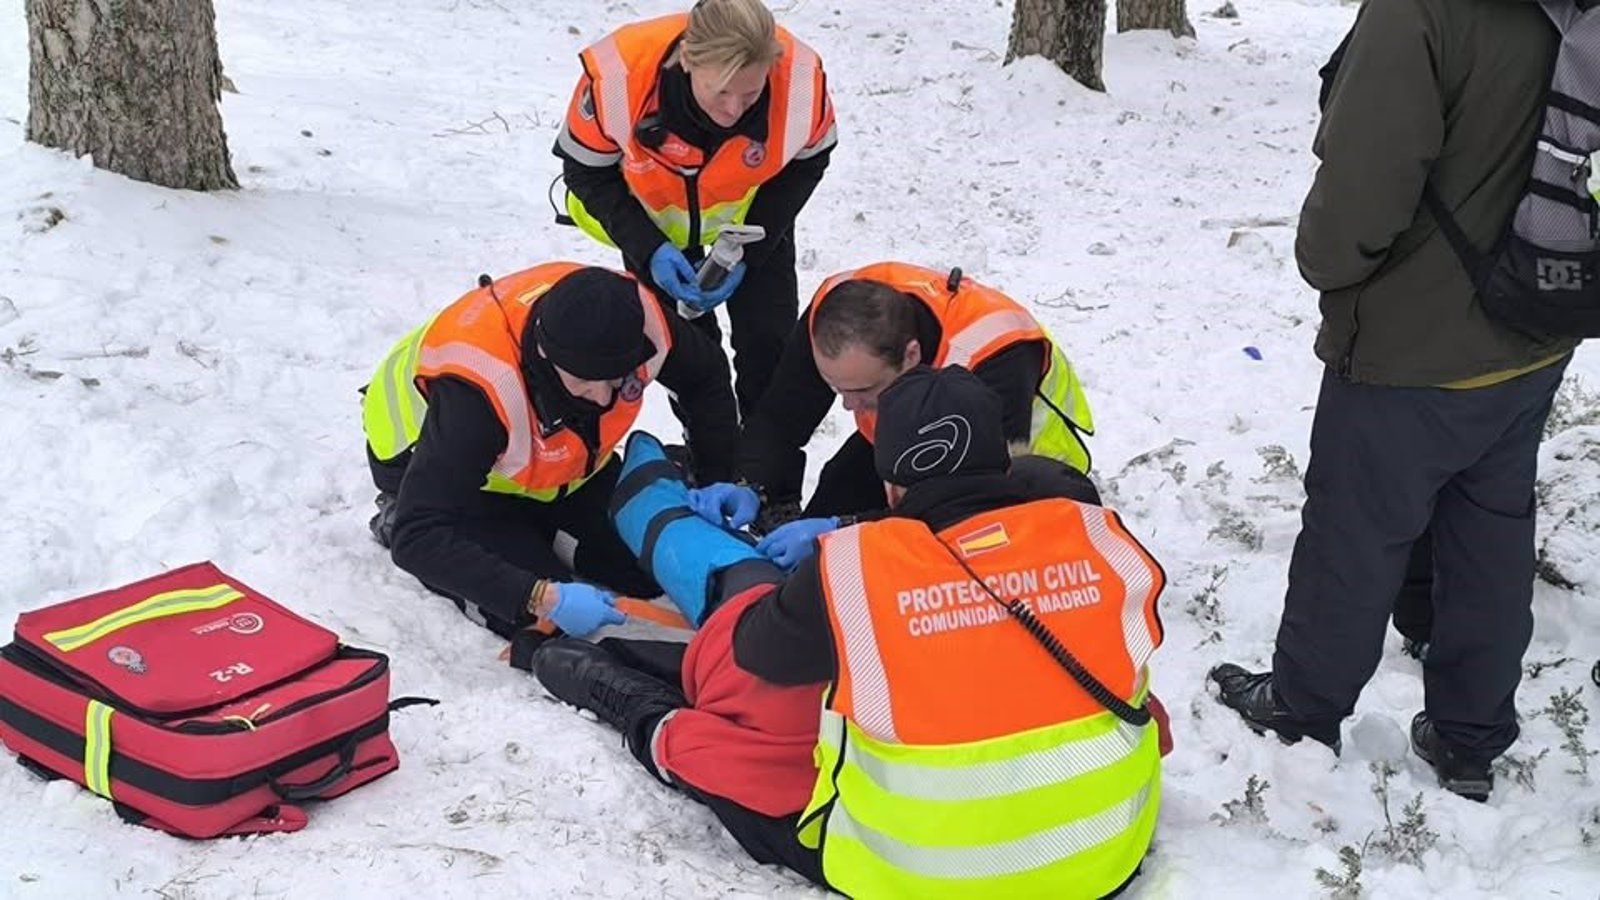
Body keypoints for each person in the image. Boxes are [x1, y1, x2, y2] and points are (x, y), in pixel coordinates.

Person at [531, 366, 1167, 898]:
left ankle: (644, 716)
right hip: (1104, 855)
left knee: (752, 741)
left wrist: (815, 574)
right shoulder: (1094, 536)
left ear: (890, 483)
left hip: (919, 877)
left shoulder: (858, 566)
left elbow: (755, 652)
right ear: (1005, 460)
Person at [1209, 0, 1579, 802]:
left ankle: (1303, 710)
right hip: (1540, 324)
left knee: (1355, 530)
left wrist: (1324, 262)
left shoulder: (1419, 13)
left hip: (1416, 340)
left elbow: (1360, 196)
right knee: (1491, 532)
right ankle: (1471, 738)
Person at [360, 262, 738, 639]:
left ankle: (543, 526)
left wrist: (715, 479)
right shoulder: (480, 393)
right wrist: (540, 595)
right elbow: (417, 535)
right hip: (438, 473)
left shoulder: (631, 320)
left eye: (616, 381)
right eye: (585, 382)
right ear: (544, 356)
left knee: (646, 566)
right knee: (541, 621)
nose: (602, 399)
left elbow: (706, 377)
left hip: (557, 468)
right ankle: (400, 511)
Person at [697, 261, 1095, 569]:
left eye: (863, 392)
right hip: (917, 433)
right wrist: (750, 483)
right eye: (835, 388)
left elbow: (959, 509)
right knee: (833, 507)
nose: (847, 406)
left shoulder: (992, 356)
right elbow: (782, 415)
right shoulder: (836, 314)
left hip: (1027, 478)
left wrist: (845, 530)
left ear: (911, 355)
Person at [554, 0, 837, 420]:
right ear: (687, 59)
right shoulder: (619, 79)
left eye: (751, 93)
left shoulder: (799, 83)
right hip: (652, 224)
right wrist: (649, 249)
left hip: (752, 224)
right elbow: (585, 172)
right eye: (720, 91)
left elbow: (808, 162)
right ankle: (708, 451)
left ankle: (766, 459)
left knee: (768, 345)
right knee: (690, 359)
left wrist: (752, 251)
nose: (733, 110)